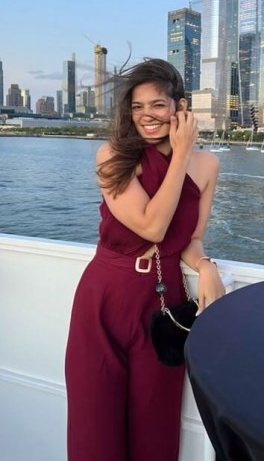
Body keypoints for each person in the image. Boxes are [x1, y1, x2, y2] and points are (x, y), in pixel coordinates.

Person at [65, 58, 225, 461]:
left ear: (179, 107)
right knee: (94, 425)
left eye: (157, 105)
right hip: (106, 296)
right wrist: (181, 153)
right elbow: (152, 227)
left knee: (156, 425)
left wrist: (205, 266)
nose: (147, 116)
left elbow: (190, 238)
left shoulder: (208, 166)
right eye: (137, 107)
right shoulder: (112, 157)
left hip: (163, 304)